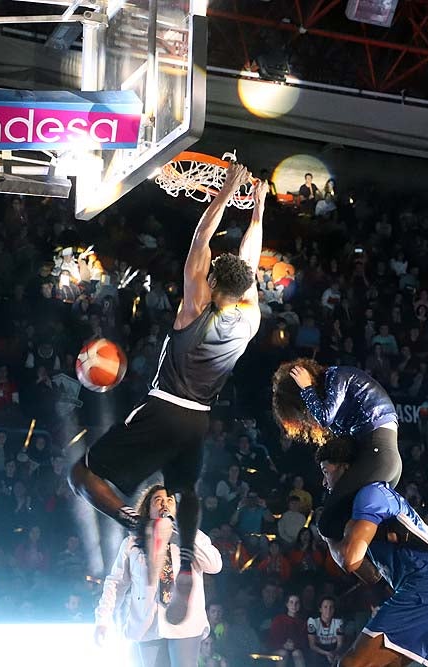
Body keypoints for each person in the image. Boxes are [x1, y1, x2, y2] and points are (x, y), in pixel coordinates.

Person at [69, 165, 267, 624]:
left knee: (81, 476)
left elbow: (201, 239)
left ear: (212, 285)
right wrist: (257, 212)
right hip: (198, 421)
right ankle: (181, 553)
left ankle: (135, 523)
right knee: (175, 493)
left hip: (166, 408)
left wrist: (226, 194)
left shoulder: (195, 307)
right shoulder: (250, 318)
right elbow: (250, 260)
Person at [315, 437, 428, 667]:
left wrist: (328, 535)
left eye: (326, 472)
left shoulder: (370, 494)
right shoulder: (365, 506)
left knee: (351, 665)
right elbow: (373, 576)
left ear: (346, 469)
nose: (324, 482)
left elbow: (349, 560)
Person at [94, 485, 223, 667]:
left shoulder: (191, 536)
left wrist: (185, 532)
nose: (164, 505)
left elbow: (215, 565)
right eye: (158, 500)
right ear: (148, 509)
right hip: (148, 626)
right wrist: (103, 619)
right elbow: (116, 584)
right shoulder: (132, 543)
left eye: (170, 501)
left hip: (185, 623)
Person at [271, 360, 401, 541]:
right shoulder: (340, 407)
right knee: (350, 526)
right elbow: (342, 448)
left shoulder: (337, 376)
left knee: (328, 523)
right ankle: (394, 532)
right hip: (380, 458)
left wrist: (306, 388)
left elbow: (325, 417)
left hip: (378, 455)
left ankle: (398, 531)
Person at [307, 596, 344, 667]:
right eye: (325, 607)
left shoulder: (338, 621)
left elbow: (340, 644)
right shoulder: (313, 621)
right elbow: (312, 645)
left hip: (333, 648)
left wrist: (334, 653)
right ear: (320, 609)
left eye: (331, 607)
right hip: (318, 649)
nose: (328, 610)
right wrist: (327, 653)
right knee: (314, 656)